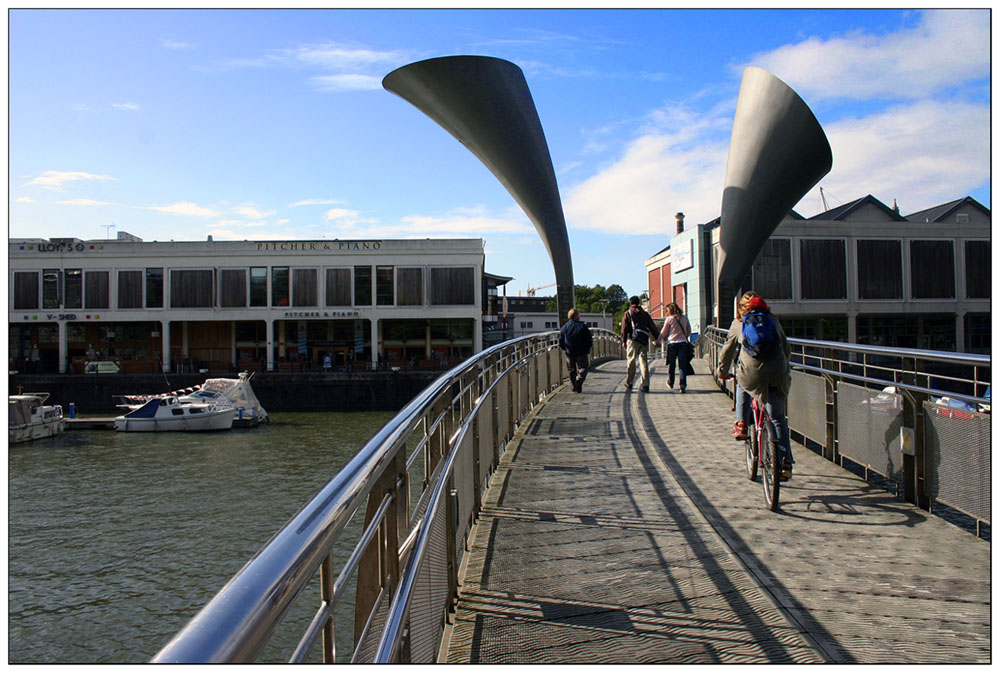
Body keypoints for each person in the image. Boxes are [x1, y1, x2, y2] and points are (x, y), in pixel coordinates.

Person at [716, 291, 794, 479]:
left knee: (741, 382)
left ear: (742, 308)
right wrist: (784, 368)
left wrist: (722, 372)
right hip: (777, 371)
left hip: (751, 374)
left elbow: (727, 351)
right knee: (776, 416)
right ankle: (785, 463)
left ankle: (741, 423)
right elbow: (786, 348)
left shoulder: (739, 323)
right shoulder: (773, 320)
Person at [621, 295, 659, 392]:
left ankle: (629, 382)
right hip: (643, 341)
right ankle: (645, 384)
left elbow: (624, 328)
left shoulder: (628, 313)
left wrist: (624, 341)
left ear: (630, 303)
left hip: (632, 340)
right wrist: (657, 338)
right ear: (639, 303)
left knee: (631, 361)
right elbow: (652, 326)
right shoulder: (645, 314)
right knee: (643, 362)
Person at [659, 302, 693, 393]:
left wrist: (658, 340)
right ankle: (682, 385)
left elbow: (664, 332)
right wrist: (683, 335)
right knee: (682, 365)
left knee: (672, 364)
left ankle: (671, 382)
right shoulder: (685, 318)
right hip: (683, 343)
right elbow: (689, 331)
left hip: (672, 344)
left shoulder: (669, 319)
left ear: (670, 310)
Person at [558, 308, 593, 393]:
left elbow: (561, 341)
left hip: (569, 352)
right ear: (576, 316)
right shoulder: (582, 326)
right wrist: (588, 348)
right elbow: (589, 340)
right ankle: (579, 380)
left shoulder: (564, 327)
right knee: (583, 367)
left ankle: (573, 386)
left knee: (571, 369)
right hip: (581, 352)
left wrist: (564, 348)